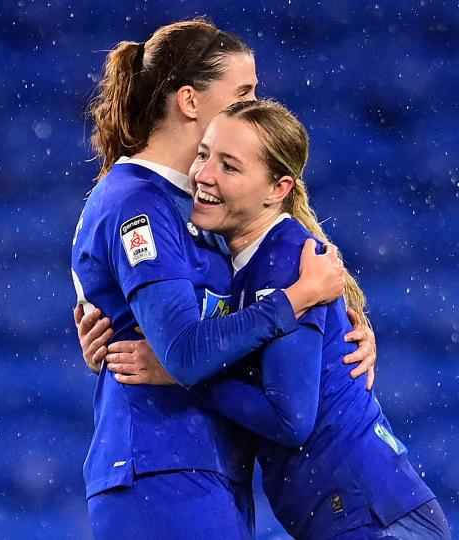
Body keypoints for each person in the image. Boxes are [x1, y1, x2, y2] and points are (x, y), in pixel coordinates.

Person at [70, 19, 355, 539]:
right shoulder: (138, 203)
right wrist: (293, 302)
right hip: (159, 468)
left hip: (204, 469)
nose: (254, 105)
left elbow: (216, 327)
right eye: (243, 93)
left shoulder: (200, 208)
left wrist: (347, 330)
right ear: (189, 101)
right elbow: (183, 350)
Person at [153, 99, 448, 539]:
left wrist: (188, 374)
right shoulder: (250, 260)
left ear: (278, 189)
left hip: (374, 516)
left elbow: (290, 419)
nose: (204, 174)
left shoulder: (288, 262)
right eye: (203, 154)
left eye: (229, 166)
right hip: (364, 512)